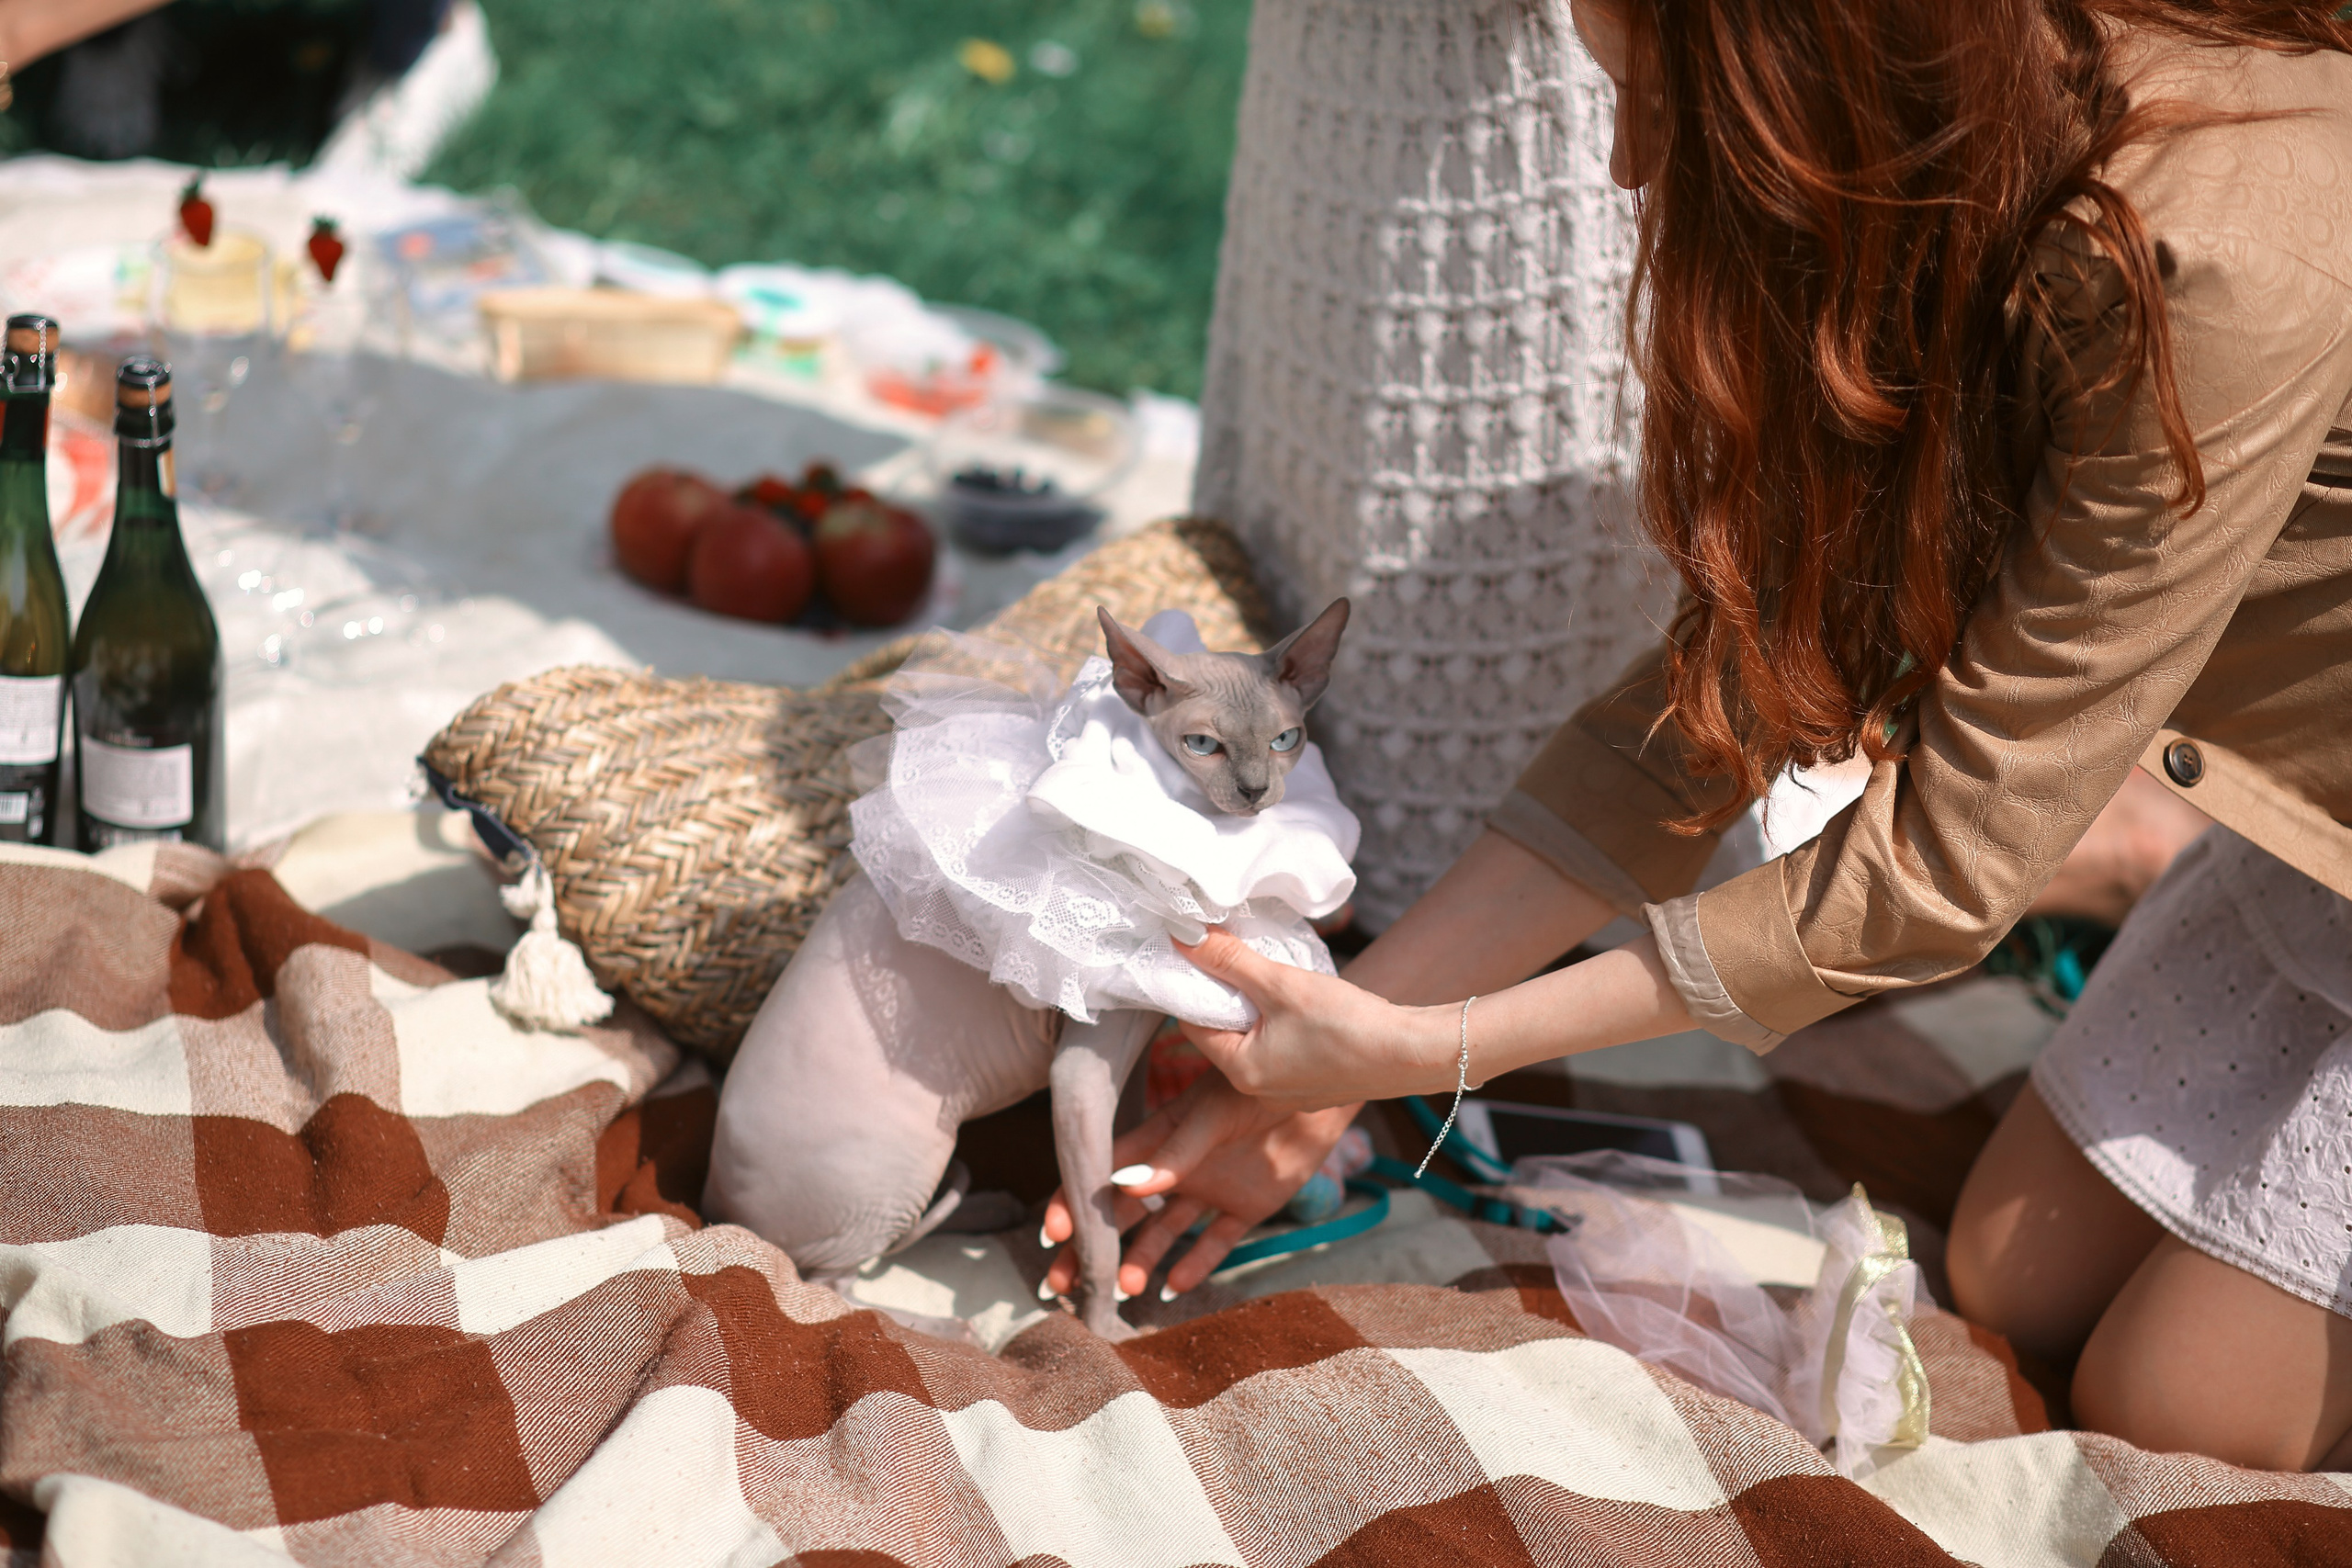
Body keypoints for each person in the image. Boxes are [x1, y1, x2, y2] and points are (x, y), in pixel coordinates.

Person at [1043, 0, 2352, 1472]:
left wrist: (1438, 1043)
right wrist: (1347, 1060)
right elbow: (1720, 704)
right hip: (2316, 836)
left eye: (1655, 95)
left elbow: (1933, 876)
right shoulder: (1971, 157)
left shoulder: (2208, 263)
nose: (1618, 165)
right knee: (2009, 1272)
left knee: (2173, 1407)